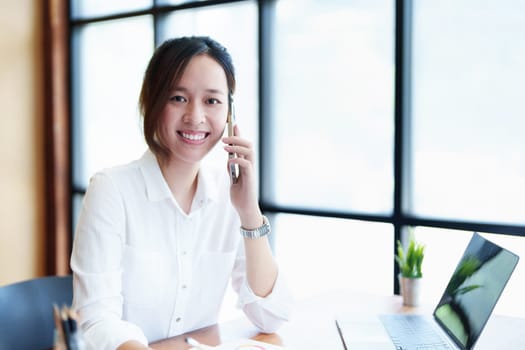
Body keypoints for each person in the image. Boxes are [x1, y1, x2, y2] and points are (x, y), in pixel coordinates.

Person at [70, 36, 293, 350]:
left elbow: (271, 317)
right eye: (178, 98)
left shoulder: (228, 195)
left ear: (230, 114)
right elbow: (95, 321)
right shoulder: (111, 190)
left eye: (212, 101)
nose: (195, 117)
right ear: (152, 102)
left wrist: (249, 212)